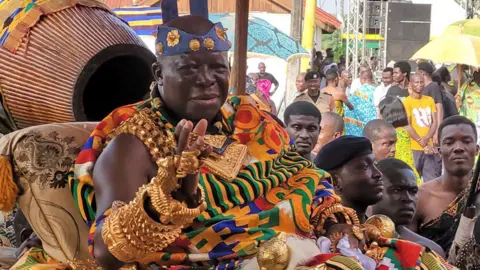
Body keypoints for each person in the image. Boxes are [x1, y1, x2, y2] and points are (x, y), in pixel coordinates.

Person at [64, 16, 368, 269]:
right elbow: (105, 253)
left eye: (218, 68)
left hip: (300, 248)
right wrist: (167, 199)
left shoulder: (253, 120)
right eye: (189, 68)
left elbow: (305, 176)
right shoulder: (134, 142)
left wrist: (333, 221)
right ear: (158, 74)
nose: (206, 79)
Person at [410, 116, 479, 253]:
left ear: (476, 149)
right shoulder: (419, 197)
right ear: (440, 151)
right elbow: (406, 251)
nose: (458, 148)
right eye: (449, 143)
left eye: (466, 141)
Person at [371, 158, 446, 257]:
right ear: (374, 191)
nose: (408, 198)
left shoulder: (429, 251)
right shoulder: (352, 240)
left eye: (413, 191)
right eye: (397, 190)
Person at [314, 135, 383, 223]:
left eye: (375, 164)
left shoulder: (379, 230)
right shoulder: (322, 234)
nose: (378, 174)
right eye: (365, 166)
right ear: (335, 182)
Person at [403, 74, 440, 181]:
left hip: (429, 147)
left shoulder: (429, 100)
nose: (419, 85)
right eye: (416, 82)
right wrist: (421, 142)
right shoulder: (407, 102)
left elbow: (434, 121)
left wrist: (427, 138)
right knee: (413, 179)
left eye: (421, 82)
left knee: (431, 179)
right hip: (414, 147)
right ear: (411, 84)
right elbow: (407, 125)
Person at [379, 96, 422, 185]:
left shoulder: (386, 133)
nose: (378, 115)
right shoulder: (407, 129)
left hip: (396, 172)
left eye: (380, 112)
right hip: (408, 172)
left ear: (387, 113)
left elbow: (421, 141)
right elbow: (422, 142)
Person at [416, 62, 444, 145]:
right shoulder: (422, 88)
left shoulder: (433, 86)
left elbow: (439, 108)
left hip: (432, 128)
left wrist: (437, 131)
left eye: (417, 72)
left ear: (422, 73)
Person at [344, 69, 377, 136]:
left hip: (357, 128)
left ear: (364, 79)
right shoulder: (377, 90)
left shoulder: (358, 91)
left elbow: (348, 106)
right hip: (373, 126)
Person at [458, 70, 480, 142]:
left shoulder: (467, 84)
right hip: (469, 121)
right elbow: (458, 100)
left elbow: (458, 99)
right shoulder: (467, 84)